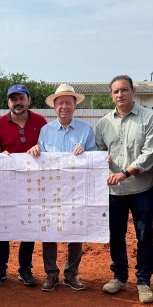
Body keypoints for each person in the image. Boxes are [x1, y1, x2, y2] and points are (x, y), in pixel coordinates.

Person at [95, 75, 153, 302]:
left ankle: (143, 281)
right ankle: (120, 277)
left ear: (133, 91)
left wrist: (123, 174)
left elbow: (149, 154)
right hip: (114, 193)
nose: (120, 95)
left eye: (124, 90)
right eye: (115, 91)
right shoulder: (104, 123)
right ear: (111, 95)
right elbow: (100, 151)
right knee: (117, 235)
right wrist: (102, 160)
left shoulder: (149, 119)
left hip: (140, 190)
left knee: (144, 236)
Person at [28, 84, 97, 292]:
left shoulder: (86, 129)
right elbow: (40, 154)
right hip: (52, 189)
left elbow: (95, 159)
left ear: (75, 105)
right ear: (54, 107)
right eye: (60, 103)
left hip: (77, 190)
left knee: (76, 230)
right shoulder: (45, 131)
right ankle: (51, 274)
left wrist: (85, 152)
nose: (64, 106)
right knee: (50, 231)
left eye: (68, 102)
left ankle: (71, 274)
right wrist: (35, 150)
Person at [0, 84, 48, 287]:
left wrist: (40, 149)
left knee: (28, 226)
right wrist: (0, 156)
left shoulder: (41, 122)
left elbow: (48, 150)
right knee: (3, 225)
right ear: (8, 102)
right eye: (13, 99)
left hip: (32, 184)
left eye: (21, 98)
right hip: (6, 184)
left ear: (29, 100)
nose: (17, 102)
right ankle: (0, 268)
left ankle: (25, 268)